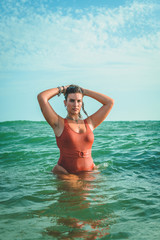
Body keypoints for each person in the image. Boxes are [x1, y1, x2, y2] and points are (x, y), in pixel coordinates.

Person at [37, 85, 114, 177]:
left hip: (89, 172)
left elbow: (109, 102)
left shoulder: (89, 123)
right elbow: (42, 97)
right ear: (65, 103)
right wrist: (62, 89)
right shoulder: (59, 123)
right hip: (67, 174)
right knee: (77, 188)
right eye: (72, 100)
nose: (76, 105)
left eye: (79, 101)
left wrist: (84, 91)